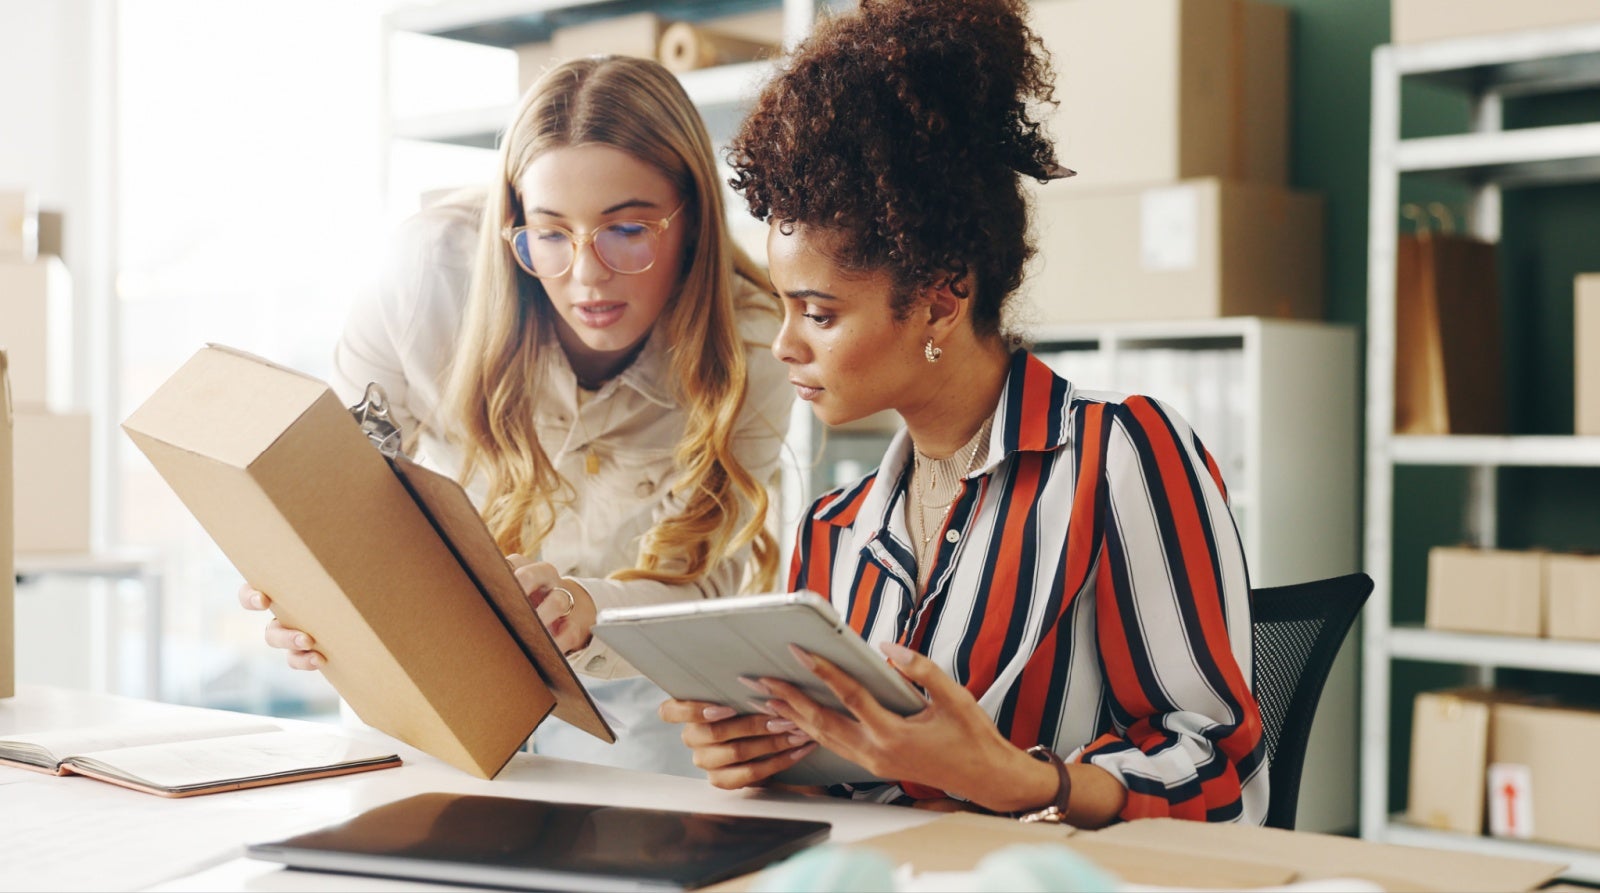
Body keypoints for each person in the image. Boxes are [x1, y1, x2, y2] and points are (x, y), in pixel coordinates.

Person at [660, 0, 1268, 826]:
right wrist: (767, 758)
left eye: (822, 313)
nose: (785, 345)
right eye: (783, 306)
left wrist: (1021, 779)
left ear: (943, 300)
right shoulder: (835, 528)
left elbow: (1222, 772)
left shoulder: (1118, 454)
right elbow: (848, 795)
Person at [239, 55, 795, 777]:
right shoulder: (426, 276)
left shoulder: (757, 342)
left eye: (626, 230)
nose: (587, 274)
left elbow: (709, 581)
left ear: (691, 222)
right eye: (552, 233)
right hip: (441, 660)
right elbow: (340, 492)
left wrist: (586, 607)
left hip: (627, 691)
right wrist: (308, 587)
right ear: (514, 222)